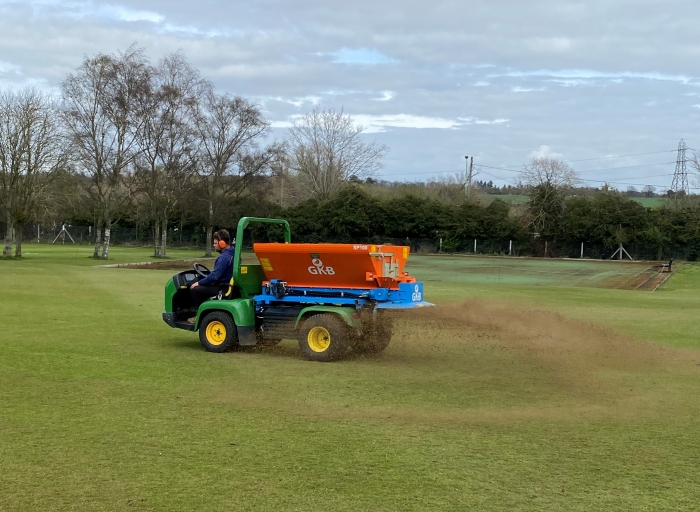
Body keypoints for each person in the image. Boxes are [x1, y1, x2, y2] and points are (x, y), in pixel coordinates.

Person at [188, 229, 236, 322]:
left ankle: (199, 315)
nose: (213, 245)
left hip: (222, 287)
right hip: (227, 284)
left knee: (195, 289)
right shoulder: (233, 253)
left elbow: (215, 276)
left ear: (222, 243)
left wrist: (199, 283)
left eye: (215, 243)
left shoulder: (224, 257)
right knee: (196, 281)